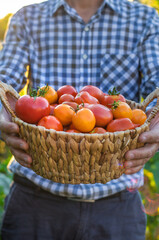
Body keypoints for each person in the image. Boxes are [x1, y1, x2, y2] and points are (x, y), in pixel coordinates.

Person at [0, 0, 159, 239]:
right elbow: (4, 82)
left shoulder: (145, 19)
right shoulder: (26, 18)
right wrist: (3, 114)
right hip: (34, 202)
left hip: (118, 207)